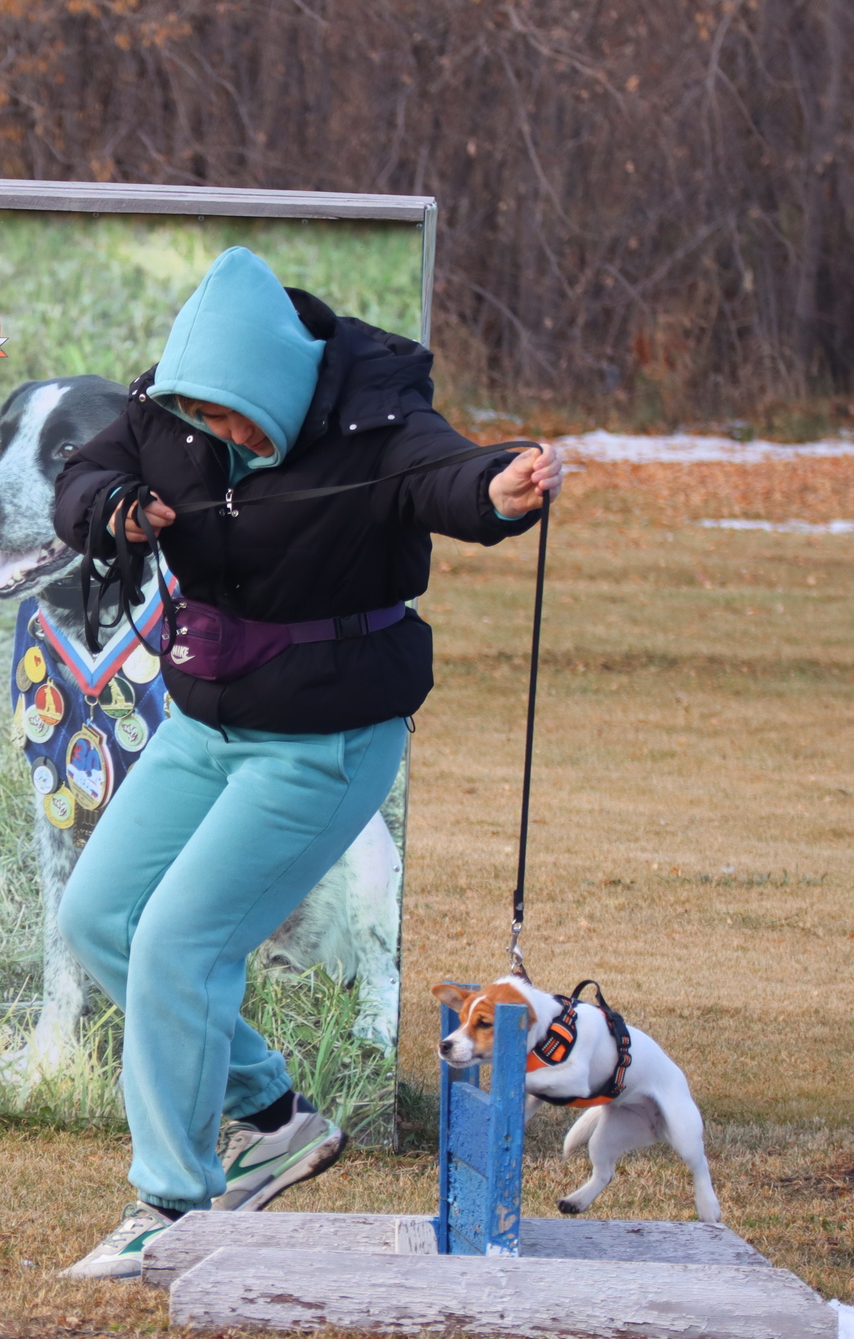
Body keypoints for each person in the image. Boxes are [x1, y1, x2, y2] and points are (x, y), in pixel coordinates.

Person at [50, 247, 563, 1278]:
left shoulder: (372, 416)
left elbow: (448, 475)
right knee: (99, 919)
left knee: (180, 945)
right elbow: (83, 475)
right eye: (205, 417)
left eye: (238, 419)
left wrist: (502, 490)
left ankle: (170, 1203)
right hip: (203, 722)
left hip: (322, 743)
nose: (220, 437)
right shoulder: (169, 413)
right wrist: (114, 506)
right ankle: (273, 1119)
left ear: (279, 386)